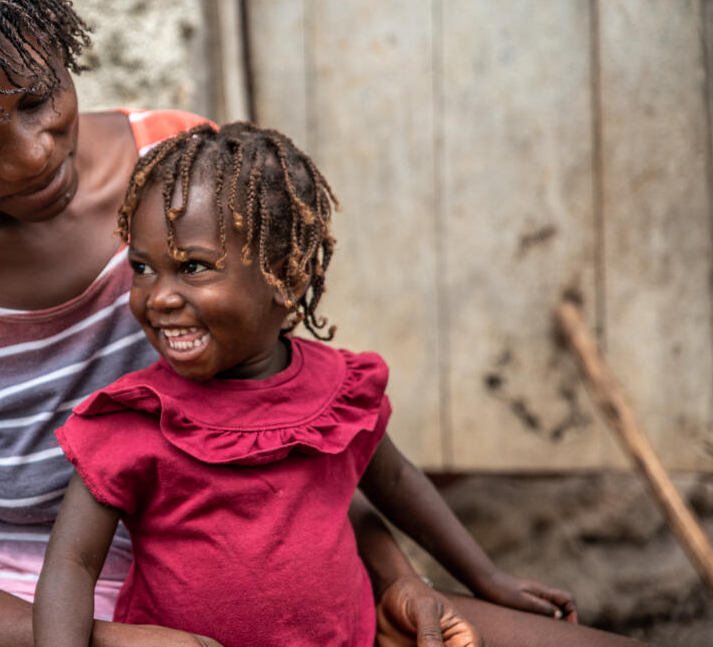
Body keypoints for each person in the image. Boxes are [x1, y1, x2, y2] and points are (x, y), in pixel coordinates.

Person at [0, 0, 644, 647]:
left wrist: (391, 574)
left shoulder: (180, 174)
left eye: (38, 97)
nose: (32, 153)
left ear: (58, 41)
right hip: (35, 618)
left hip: (286, 575)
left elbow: (288, 427)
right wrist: (113, 639)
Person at [33, 122, 585, 647]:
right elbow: (70, 566)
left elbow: (394, 480)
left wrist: (486, 579)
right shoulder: (132, 421)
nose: (159, 297)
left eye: (193, 268)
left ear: (286, 278)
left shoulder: (337, 392)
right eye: (144, 267)